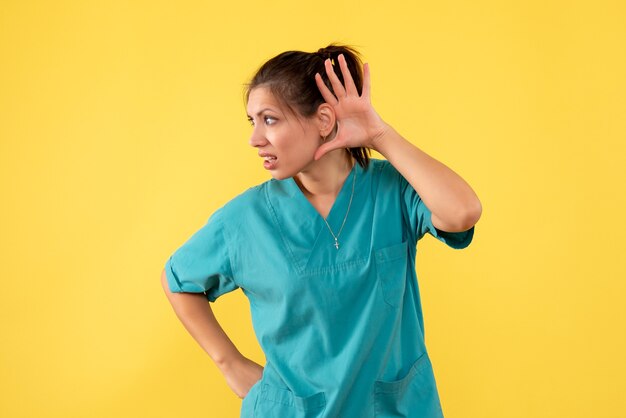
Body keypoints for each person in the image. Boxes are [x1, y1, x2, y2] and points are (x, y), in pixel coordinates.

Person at [161, 44, 482, 418]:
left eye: (270, 120)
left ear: (324, 120)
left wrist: (379, 134)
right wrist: (229, 363)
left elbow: (462, 212)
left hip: (393, 409)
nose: (254, 139)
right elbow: (178, 279)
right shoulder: (245, 220)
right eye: (253, 122)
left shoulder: (392, 192)